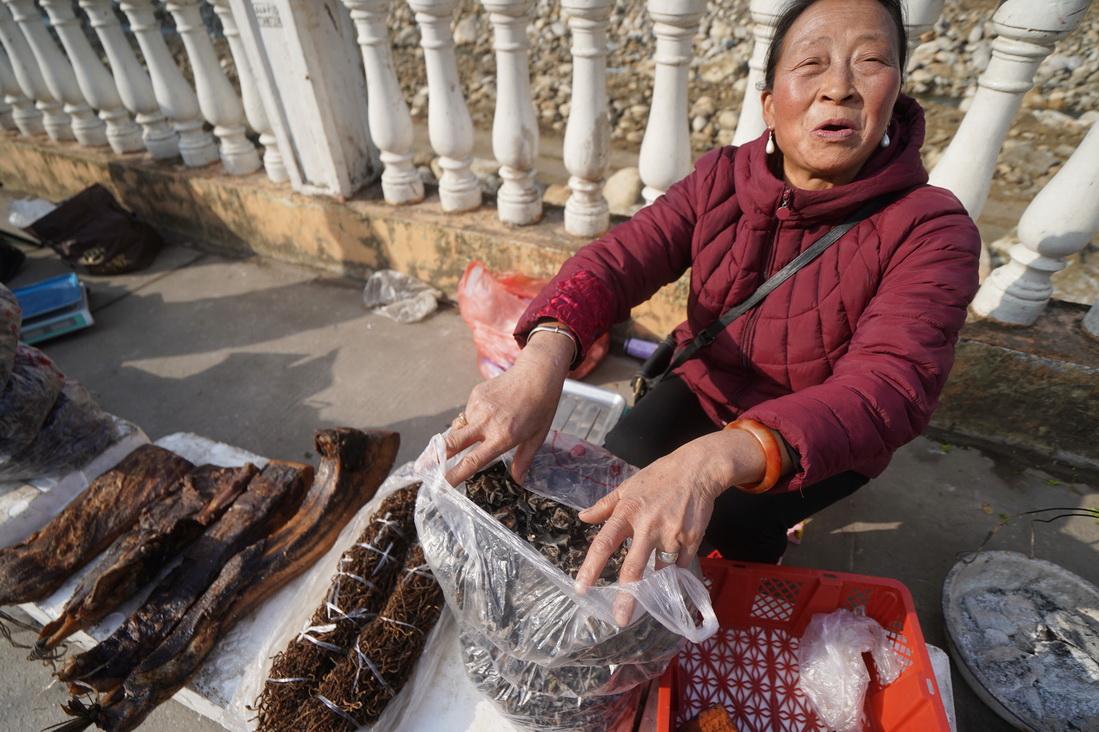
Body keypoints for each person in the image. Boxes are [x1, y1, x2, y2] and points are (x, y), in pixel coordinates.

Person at [444, 0, 981, 624]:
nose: (839, 88)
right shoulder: (720, 178)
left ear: (896, 92)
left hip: (811, 433)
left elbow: (887, 389)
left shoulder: (932, 229)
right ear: (769, 103)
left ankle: (762, 553)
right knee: (609, 494)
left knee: (729, 535)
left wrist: (713, 461)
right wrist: (543, 355)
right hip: (703, 387)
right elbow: (617, 260)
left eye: (871, 62)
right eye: (812, 64)